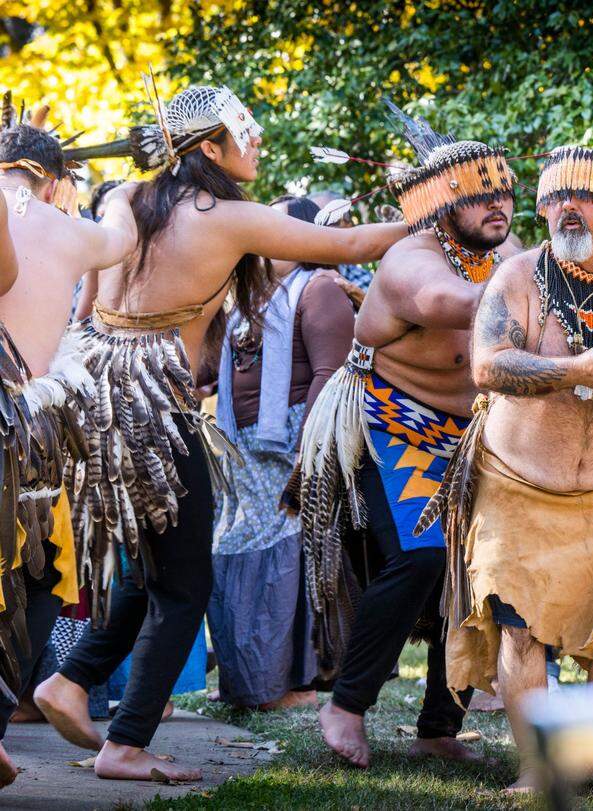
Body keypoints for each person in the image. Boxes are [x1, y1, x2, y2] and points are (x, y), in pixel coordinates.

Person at [32, 84, 406, 783]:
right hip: (154, 407)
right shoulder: (230, 219)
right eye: (247, 129)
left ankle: (71, 680)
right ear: (209, 146)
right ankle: (125, 741)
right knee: (187, 583)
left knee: (154, 571)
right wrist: (430, 215)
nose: (258, 138)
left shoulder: (127, 198)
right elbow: (348, 243)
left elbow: (90, 292)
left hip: (96, 396)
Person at [427, 145, 593, 795]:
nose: (564, 209)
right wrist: (570, 372)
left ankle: (592, 745)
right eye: (552, 199)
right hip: (517, 484)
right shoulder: (518, 276)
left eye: (582, 198)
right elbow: (488, 366)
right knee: (525, 630)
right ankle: (539, 764)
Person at [302, 109, 521, 769]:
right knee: (423, 556)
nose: (498, 205)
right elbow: (457, 304)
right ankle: (345, 703)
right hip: (389, 419)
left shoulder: (505, 255)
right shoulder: (410, 261)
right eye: (481, 194)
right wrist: (555, 293)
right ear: (442, 203)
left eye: (504, 191)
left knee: (476, 568)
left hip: (470, 432)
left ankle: (437, 723)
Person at [0, 118, 135, 787]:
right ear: (54, 180)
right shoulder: (67, 225)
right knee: (41, 576)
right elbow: (123, 239)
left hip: (25, 425)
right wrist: (115, 198)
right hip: (25, 428)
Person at [208, 194, 354, 710]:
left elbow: (330, 375)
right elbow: (210, 370)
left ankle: (282, 686)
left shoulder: (319, 291)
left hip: (291, 447)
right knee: (233, 551)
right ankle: (249, 684)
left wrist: (306, 450)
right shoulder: (248, 299)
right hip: (241, 450)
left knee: (279, 555)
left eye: (277, 227)